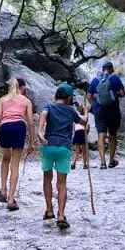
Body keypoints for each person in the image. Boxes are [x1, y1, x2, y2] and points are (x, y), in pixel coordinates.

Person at [37, 82, 86, 230]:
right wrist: (85, 112)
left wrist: (40, 131)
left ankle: (49, 209)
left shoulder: (49, 107)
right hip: (64, 149)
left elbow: (43, 114)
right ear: (69, 97)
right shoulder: (70, 111)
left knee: (47, 178)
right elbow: (83, 122)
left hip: (48, 146)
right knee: (62, 183)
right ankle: (61, 214)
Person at [0, 76, 34, 211]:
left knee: (5, 159)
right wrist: (32, 142)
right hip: (18, 128)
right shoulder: (26, 101)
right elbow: (31, 123)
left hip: (5, 128)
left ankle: (3, 190)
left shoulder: (3, 100)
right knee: (15, 164)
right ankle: (11, 199)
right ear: (23, 88)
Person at [88, 59, 125, 169]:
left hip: (99, 111)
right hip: (113, 111)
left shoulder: (95, 80)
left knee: (101, 135)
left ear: (103, 69)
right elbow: (123, 93)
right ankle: (111, 161)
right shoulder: (115, 79)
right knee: (113, 135)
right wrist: (116, 94)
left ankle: (103, 162)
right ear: (111, 69)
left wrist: (96, 100)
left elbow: (89, 96)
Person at [71, 99, 89, 170]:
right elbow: (87, 128)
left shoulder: (77, 117)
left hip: (77, 132)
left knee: (76, 150)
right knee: (84, 150)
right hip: (83, 132)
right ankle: (85, 164)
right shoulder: (85, 117)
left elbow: (74, 127)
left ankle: (73, 164)